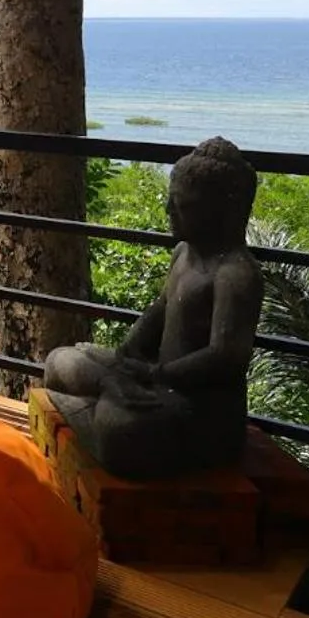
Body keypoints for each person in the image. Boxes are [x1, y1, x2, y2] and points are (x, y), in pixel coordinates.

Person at [41, 136, 263, 480]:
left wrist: (156, 375)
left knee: (119, 428)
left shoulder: (235, 273)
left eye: (183, 205)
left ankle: (97, 406)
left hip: (198, 409)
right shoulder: (183, 254)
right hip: (155, 378)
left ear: (219, 211)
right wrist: (125, 356)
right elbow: (160, 309)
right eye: (172, 202)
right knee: (59, 358)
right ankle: (106, 388)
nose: (170, 213)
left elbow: (226, 356)